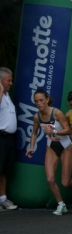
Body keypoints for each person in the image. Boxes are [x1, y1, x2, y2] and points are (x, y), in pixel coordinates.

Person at [26, 89, 72, 215]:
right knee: (50, 179)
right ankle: (61, 204)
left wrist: (54, 132)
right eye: (36, 101)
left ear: (47, 100)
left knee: (66, 182)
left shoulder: (56, 113)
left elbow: (68, 130)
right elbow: (34, 133)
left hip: (65, 146)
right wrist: (32, 147)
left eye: (41, 100)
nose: (39, 103)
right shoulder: (37, 117)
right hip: (51, 146)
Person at [0, 67, 18, 210]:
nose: (11, 83)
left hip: (9, 138)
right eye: (8, 80)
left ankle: (3, 199)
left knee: (5, 169)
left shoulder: (7, 95)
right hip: (1, 136)